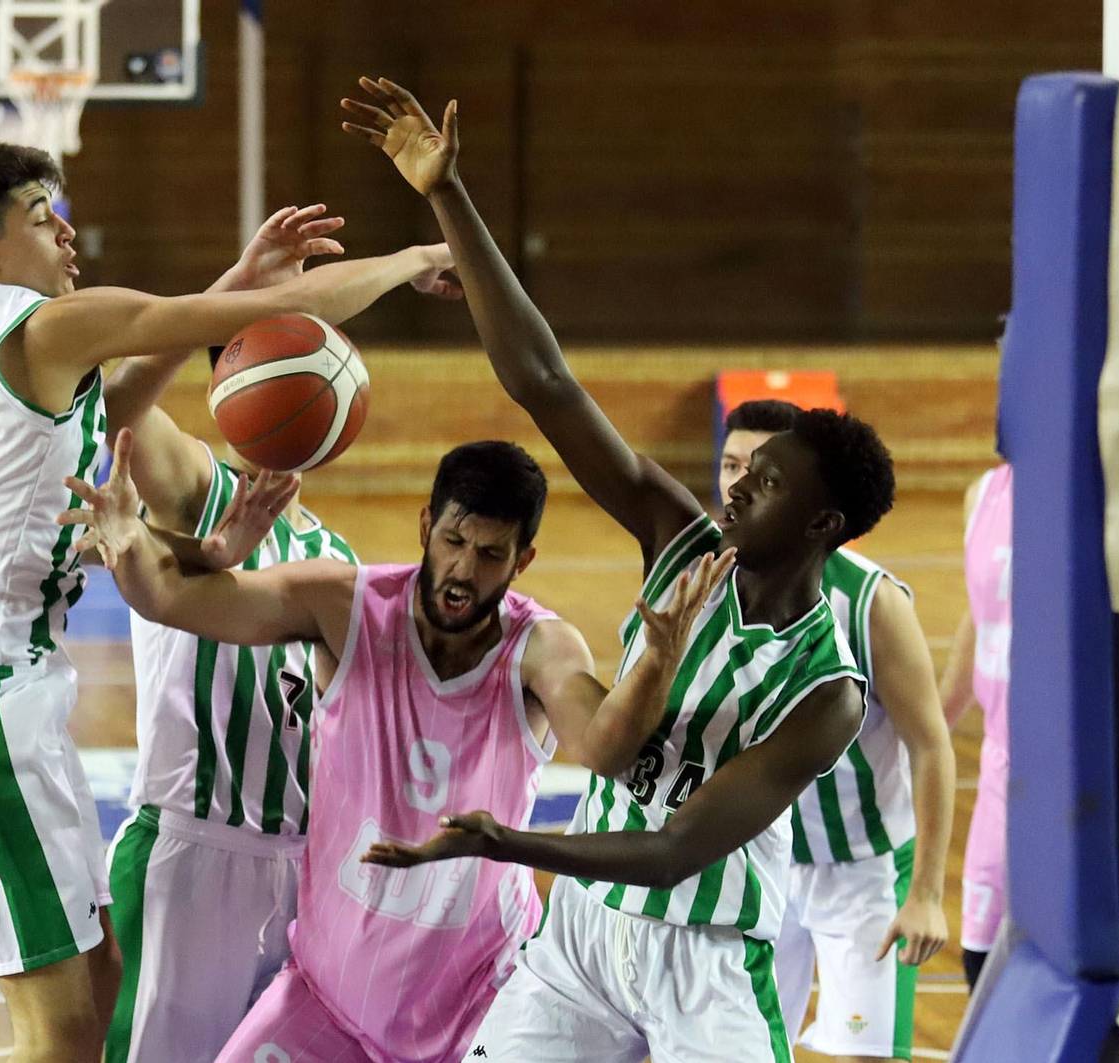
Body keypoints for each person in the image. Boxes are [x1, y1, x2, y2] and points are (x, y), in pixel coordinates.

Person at [0, 142, 455, 1063]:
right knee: (59, 1035)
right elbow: (272, 316)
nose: (65, 229)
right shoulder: (44, 327)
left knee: (99, 989)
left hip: (0, 687)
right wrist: (414, 259)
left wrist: (239, 278)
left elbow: (121, 406)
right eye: (37, 213)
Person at [344, 77, 892, 1062]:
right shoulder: (682, 538)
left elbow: (678, 847)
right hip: (581, 943)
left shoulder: (828, 693)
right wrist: (446, 195)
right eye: (740, 469)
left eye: (763, 485)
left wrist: (505, 842)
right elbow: (546, 383)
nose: (734, 489)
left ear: (820, 522)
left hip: (709, 955)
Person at [60, 432, 735, 1063]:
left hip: (487, 1001)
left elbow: (602, 747)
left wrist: (657, 661)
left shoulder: (540, 648)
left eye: (492, 553)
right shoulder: (340, 602)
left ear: (522, 560)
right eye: (454, 540)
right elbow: (175, 599)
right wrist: (130, 536)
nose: (464, 570)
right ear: (425, 527)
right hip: (331, 997)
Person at [94, 204, 408, 1063]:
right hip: (192, 854)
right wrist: (231, 288)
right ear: (229, 380)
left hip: (303, 861)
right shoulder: (198, 485)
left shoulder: (336, 556)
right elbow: (115, 407)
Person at [721, 400, 954, 1061]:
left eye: (762, 471)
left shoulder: (874, 601)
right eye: (731, 464)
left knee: (866, 1055)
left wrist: (930, 895)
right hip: (760, 862)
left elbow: (931, 743)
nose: (739, 484)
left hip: (863, 870)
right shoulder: (711, 579)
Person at [938, 463, 1012, 989]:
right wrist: (934, 724)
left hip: (1087, 784)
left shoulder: (1113, 493)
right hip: (1001, 774)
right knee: (981, 964)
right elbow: (980, 613)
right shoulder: (985, 494)